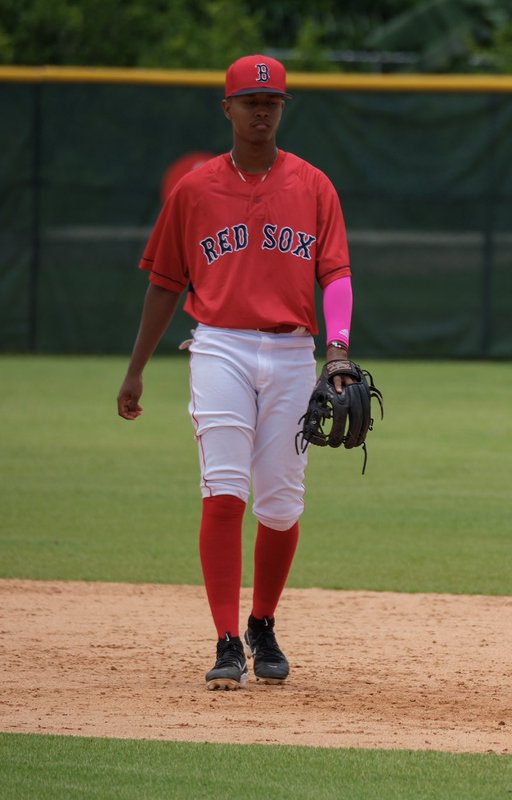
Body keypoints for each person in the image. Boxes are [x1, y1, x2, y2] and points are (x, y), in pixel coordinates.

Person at [117, 54, 358, 690]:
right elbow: (166, 284)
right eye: (250, 101)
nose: (261, 110)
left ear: (282, 108)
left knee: (279, 504)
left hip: (290, 351)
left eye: (272, 101)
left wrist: (337, 348)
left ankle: (262, 622)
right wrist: (136, 368)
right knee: (224, 490)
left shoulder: (313, 185)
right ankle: (226, 639)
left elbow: (335, 273)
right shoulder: (194, 189)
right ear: (227, 108)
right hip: (218, 345)